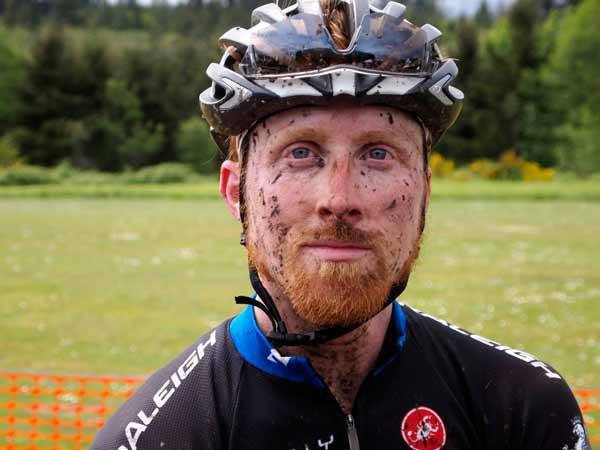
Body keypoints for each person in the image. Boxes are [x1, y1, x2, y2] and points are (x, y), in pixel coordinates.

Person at [90, 0, 591, 449]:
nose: (340, 198)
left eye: (378, 153)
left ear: (424, 192)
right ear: (234, 195)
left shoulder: (523, 410)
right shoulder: (165, 435)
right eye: (301, 153)